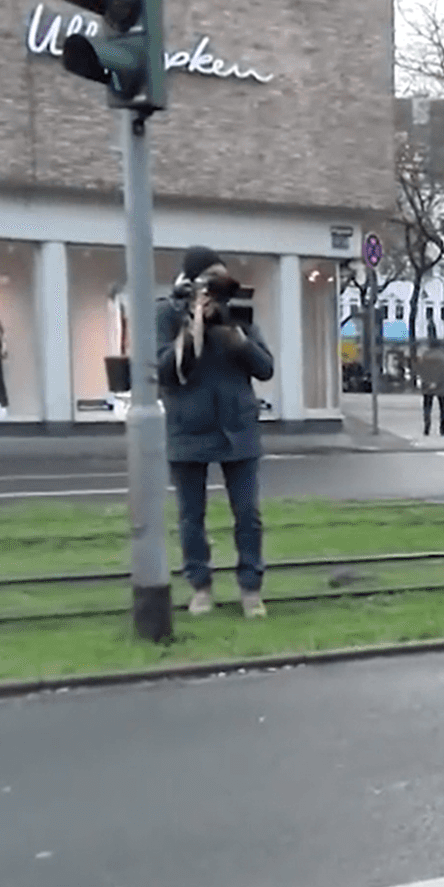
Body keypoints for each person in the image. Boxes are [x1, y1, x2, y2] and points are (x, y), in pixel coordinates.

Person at [156, 246, 276, 619]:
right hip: (187, 429)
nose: (214, 292)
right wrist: (191, 330)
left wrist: (235, 336)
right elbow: (162, 370)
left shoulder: (236, 314)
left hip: (237, 428)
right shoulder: (167, 313)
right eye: (209, 282)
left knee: (248, 514)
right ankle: (201, 587)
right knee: (192, 517)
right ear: (190, 283)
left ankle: (250, 590)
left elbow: (265, 368)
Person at [415, 343, 444, 437]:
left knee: (427, 408)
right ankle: (442, 429)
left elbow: (421, 370)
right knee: (443, 408)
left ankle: (427, 428)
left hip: (428, 386)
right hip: (441, 386)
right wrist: (439, 383)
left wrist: (428, 382)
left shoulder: (425, 356)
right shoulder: (443, 356)